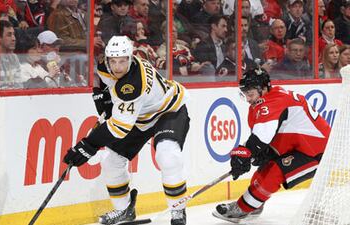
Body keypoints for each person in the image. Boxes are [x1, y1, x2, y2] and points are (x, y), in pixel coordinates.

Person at [63, 35, 190, 225]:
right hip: (140, 115)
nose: (118, 67)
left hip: (169, 110)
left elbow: (119, 128)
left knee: (167, 155)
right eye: (113, 61)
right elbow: (103, 79)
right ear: (107, 60)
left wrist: (88, 145)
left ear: (130, 59)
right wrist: (100, 94)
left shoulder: (132, 84)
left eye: (122, 61)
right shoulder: (106, 68)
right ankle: (123, 211)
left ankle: (177, 210)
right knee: (111, 161)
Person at [212, 67, 331, 223]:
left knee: (274, 171)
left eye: (250, 93)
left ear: (263, 89)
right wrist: (250, 152)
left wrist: (245, 153)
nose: (247, 98)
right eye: (245, 93)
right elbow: (262, 137)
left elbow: (261, 137)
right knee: (266, 165)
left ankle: (242, 209)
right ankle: (255, 204)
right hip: (301, 146)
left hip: (318, 154)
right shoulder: (271, 98)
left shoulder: (272, 102)